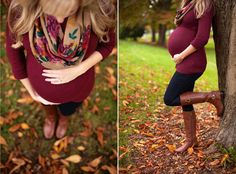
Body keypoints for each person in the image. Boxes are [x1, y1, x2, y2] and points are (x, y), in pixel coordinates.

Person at [6, 0, 116, 139]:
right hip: (40, 92)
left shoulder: (101, 9)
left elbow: (107, 45)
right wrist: (31, 92)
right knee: (47, 107)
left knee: (68, 109)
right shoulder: (21, 9)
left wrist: (79, 69)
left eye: (70, 12)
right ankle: (51, 118)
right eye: (51, 12)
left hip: (79, 90)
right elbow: (14, 52)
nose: (59, 19)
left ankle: (64, 118)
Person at [164, 0, 223, 153]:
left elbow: (202, 37)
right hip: (185, 62)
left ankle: (211, 97)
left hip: (192, 62)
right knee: (186, 100)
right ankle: (191, 141)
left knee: (170, 98)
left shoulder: (204, 5)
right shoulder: (189, 4)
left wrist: (181, 56)